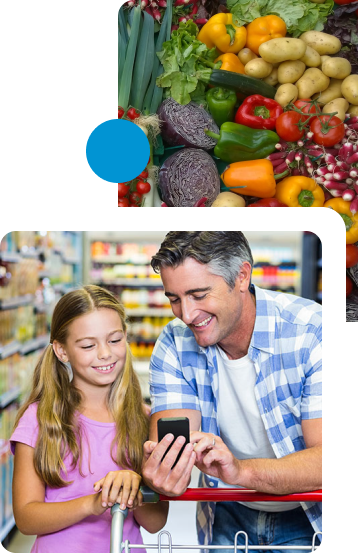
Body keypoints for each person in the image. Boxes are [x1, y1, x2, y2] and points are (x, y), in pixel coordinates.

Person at [142, 231, 322, 552]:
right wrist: (162, 472)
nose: (186, 314)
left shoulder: (311, 333)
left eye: (199, 294)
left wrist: (239, 471)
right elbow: (173, 448)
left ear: (241, 276)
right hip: (226, 512)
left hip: (310, 517)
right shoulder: (174, 343)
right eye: (174, 298)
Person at [9, 285, 188, 553]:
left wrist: (135, 487)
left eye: (115, 340)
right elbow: (26, 518)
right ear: (61, 351)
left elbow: (155, 523)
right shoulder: (40, 419)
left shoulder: (142, 419)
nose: (105, 353)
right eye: (88, 345)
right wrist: (93, 503)